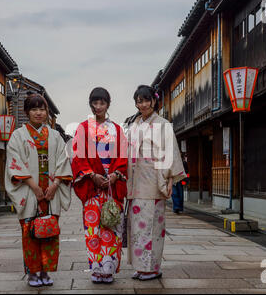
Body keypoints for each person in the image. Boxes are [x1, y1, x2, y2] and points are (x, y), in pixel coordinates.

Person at [5, 94, 72, 287]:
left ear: (46, 112)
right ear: (27, 112)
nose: (38, 113)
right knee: (30, 235)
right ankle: (33, 273)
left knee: (50, 233)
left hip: (52, 193)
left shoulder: (54, 135)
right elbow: (14, 163)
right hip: (28, 191)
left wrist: (55, 185)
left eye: (42, 109)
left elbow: (63, 161)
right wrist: (34, 187)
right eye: (34, 109)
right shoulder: (18, 135)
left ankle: (45, 272)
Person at [126, 85, 186, 281]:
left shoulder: (163, 124)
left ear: (154, 100)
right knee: (137, 227)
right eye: (138, 101)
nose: (142, 104)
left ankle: (152, 268)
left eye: (145, 100)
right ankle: (140, 266)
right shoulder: (133, 125)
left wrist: (169, 180)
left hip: (154, 180)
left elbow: (170, 153)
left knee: (151, 227)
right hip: (135, 182)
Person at [71, 87, 128, 284]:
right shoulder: (83, 128)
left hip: (112, 187)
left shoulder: (117, 130)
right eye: (95, 103)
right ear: (91, 104)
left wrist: (114, 175)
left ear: (108, 104)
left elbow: (123, 157)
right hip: (92, 187)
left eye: (102, 103)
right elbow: (78, 156)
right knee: (93, 228)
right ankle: (96, 269)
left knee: (111, 227)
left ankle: (108, 269)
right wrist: (91, 175)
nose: (98, 107)